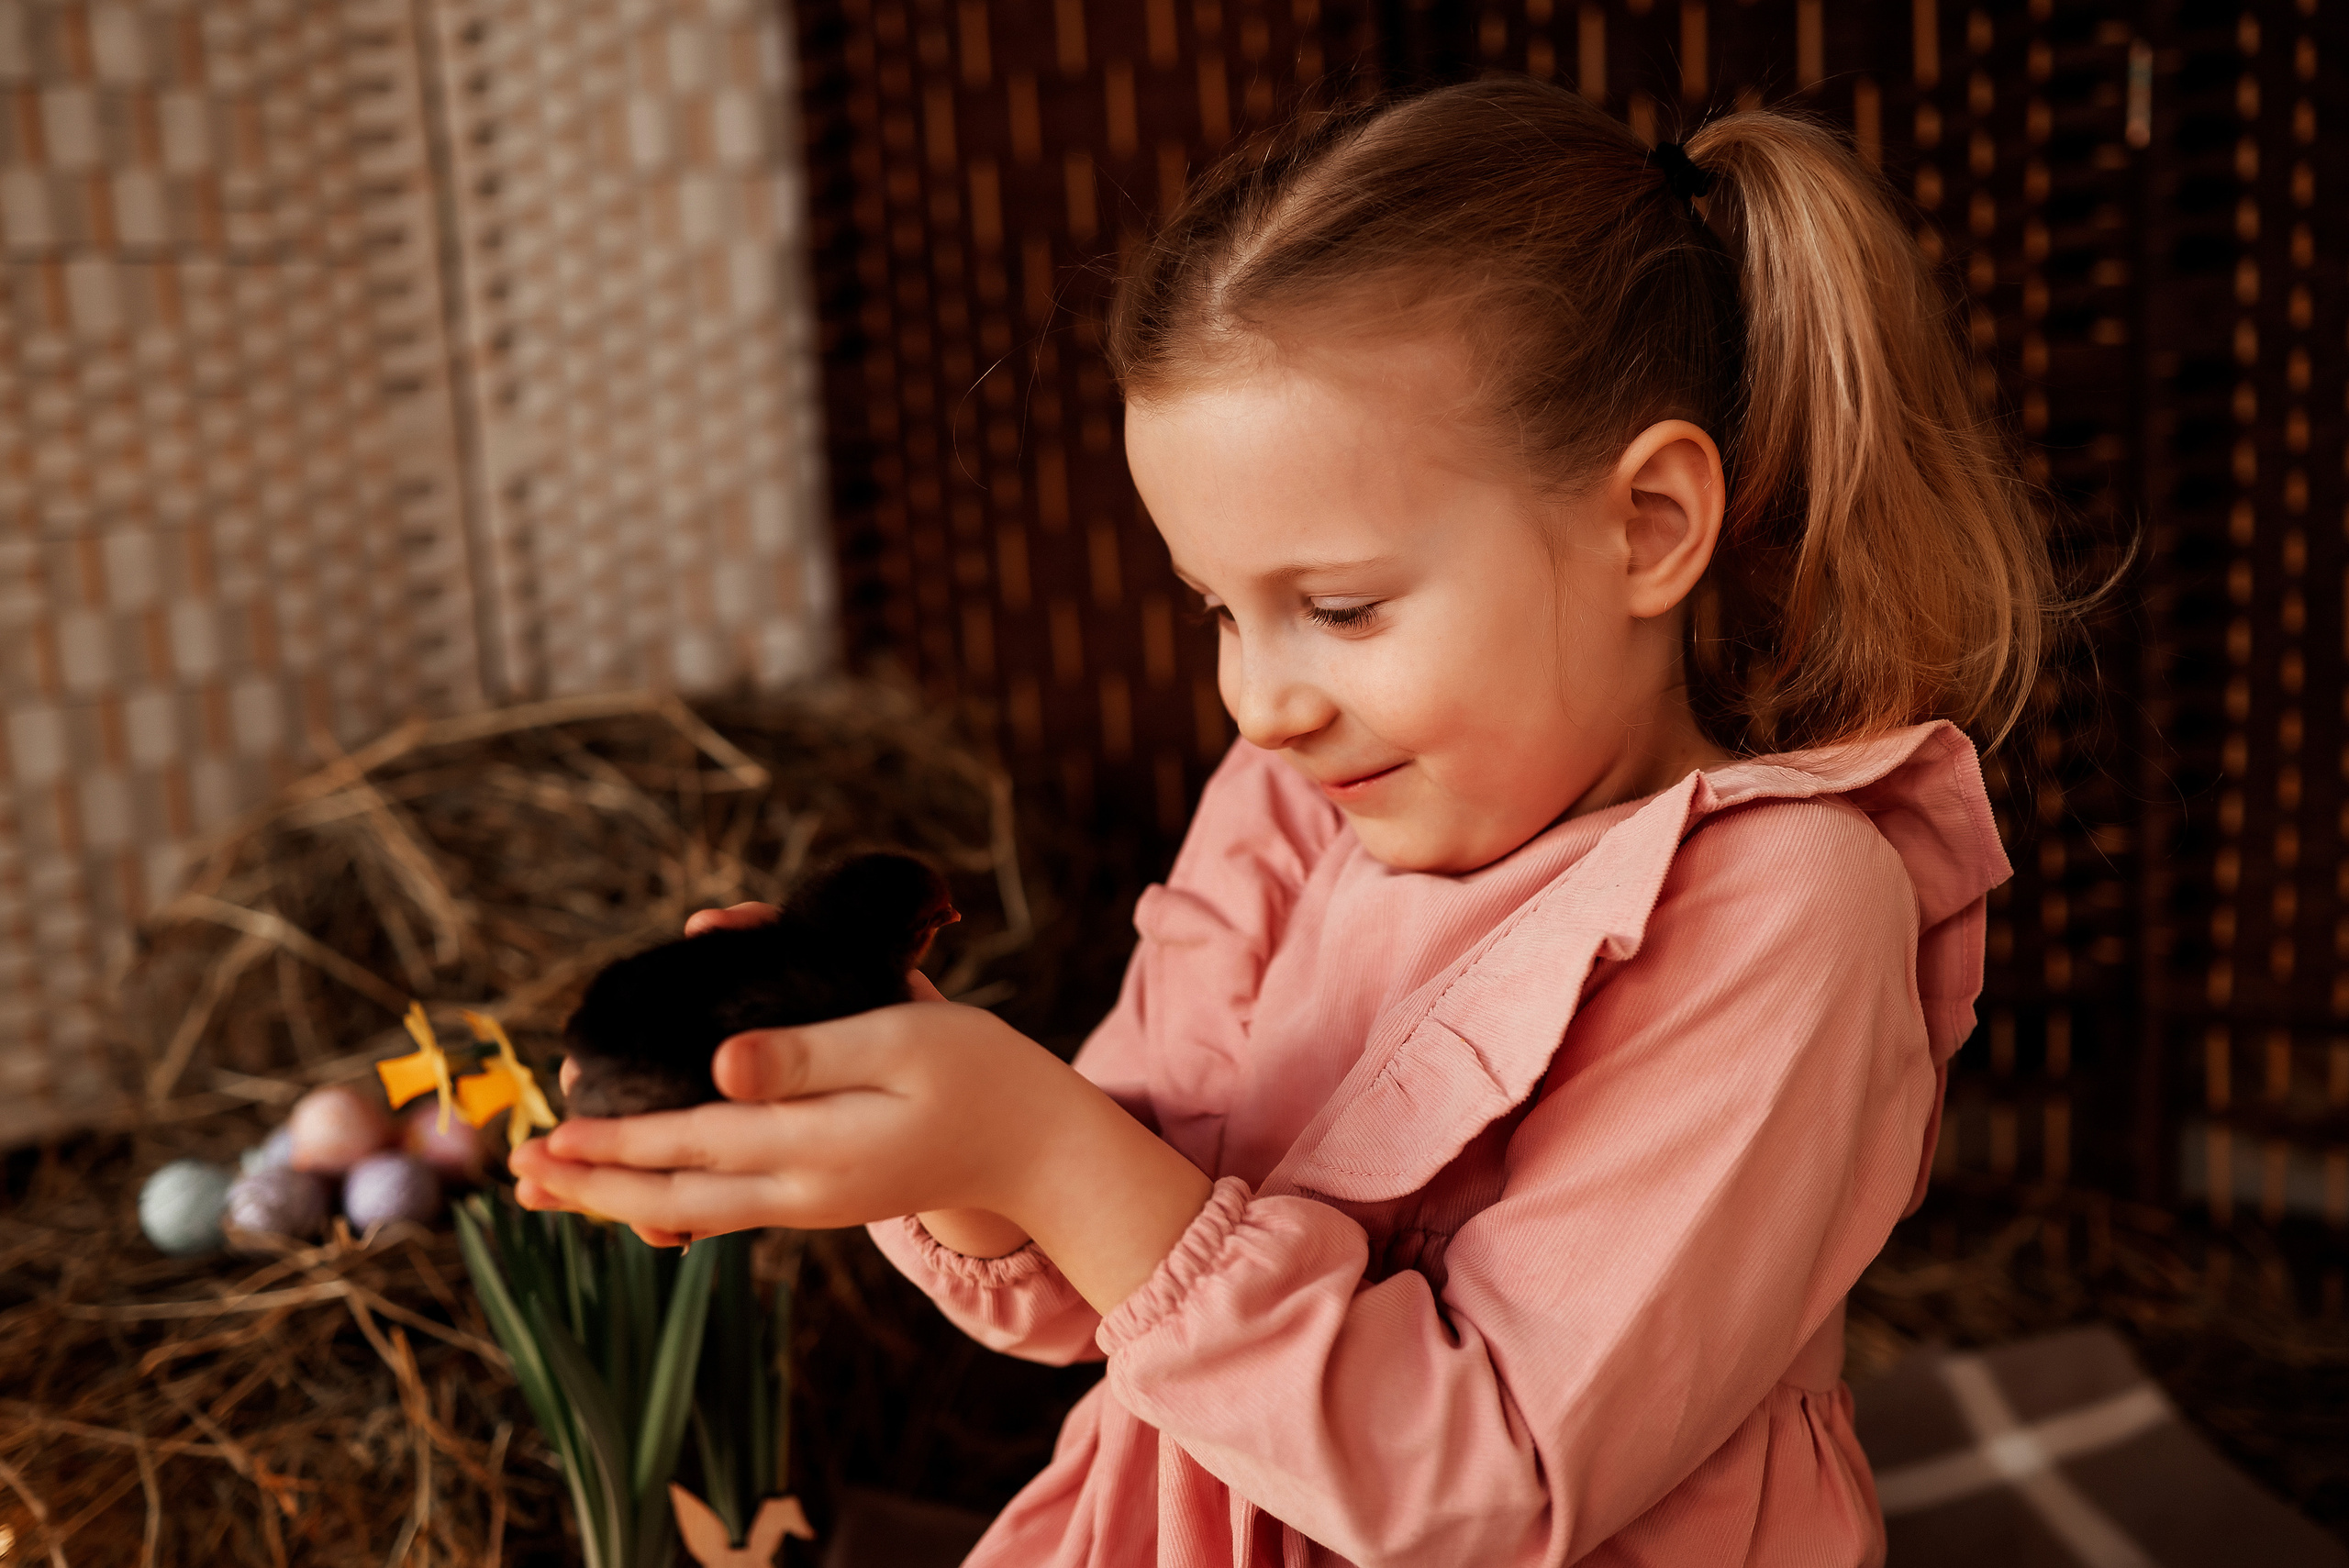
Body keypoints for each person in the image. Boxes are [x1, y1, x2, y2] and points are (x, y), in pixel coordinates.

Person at [512, 77, 2053, 1567]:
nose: (1261, 700)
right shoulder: (1294, 803)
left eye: (1340, 606)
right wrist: (925, 1110)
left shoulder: (1786, 898)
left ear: (1645, 525)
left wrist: (1040, 1144)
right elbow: (1092, 1282)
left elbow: (1491, 1486)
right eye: (1218, 612)